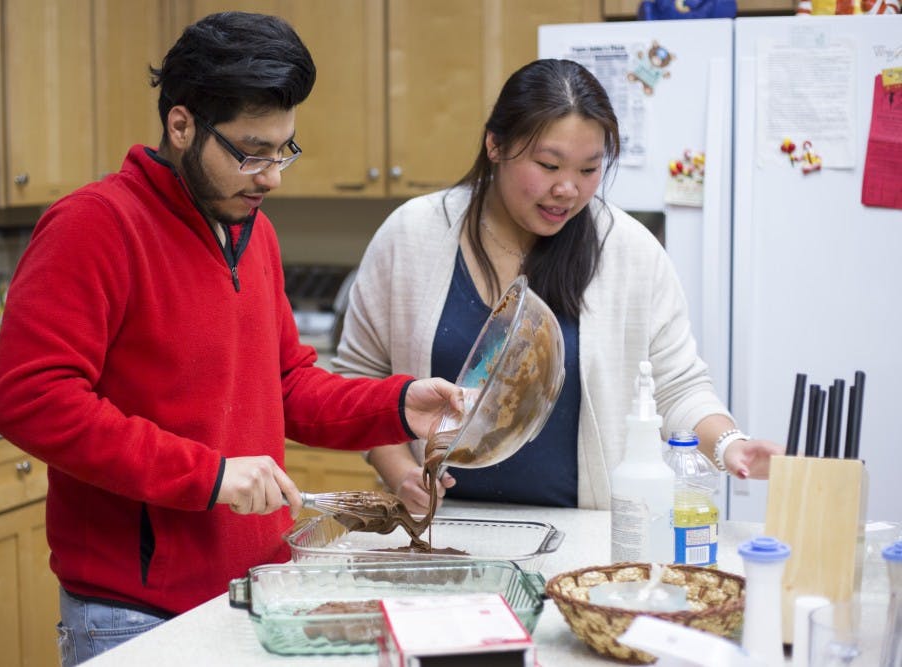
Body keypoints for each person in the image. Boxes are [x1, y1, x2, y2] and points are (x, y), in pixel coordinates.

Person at [0, 12, 462, 664]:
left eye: (283, 149)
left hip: (253, 590)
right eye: (251, 151)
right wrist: (207, 476)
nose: (272, 175)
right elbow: (29, 399)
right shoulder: (93, 227)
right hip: (133, 615)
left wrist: (397, 403)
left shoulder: (250, 229)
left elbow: (287, 384)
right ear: (181, 125)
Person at [332, 59, 784, 515]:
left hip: (584, 536)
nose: (567, 189)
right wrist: (401, 471)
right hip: (440, 528)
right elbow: (358, 377)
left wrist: (730, 445)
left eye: (589, 170)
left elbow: (677, 387)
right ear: (495, 145)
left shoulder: (629, 251)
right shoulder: (412, 235)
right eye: (549, 165)